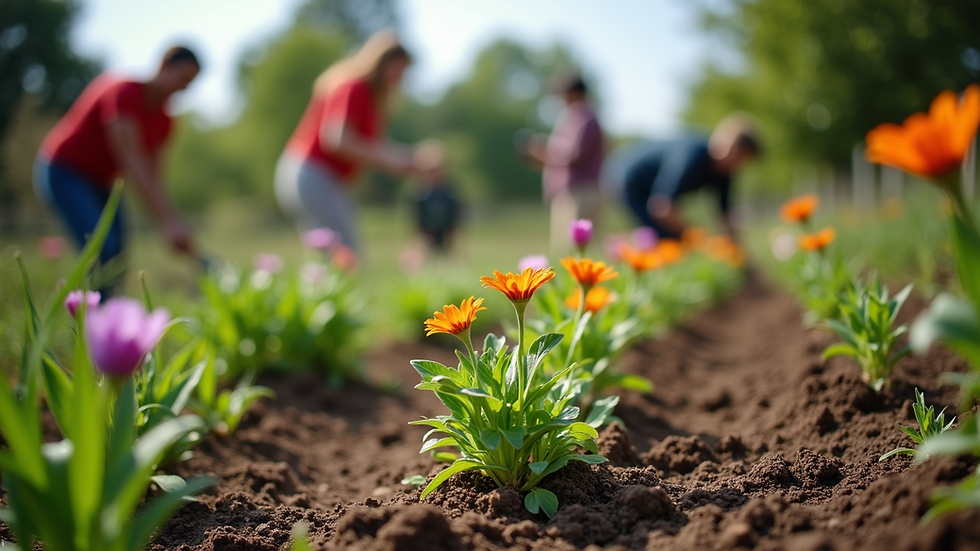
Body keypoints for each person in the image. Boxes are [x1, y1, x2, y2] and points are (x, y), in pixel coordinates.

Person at [34, 46, 201, 292]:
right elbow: (131, 160)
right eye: (182, 78)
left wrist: (172, 223)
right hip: (64, 171)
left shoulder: (165, 121)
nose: (184, 87)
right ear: (164, 67)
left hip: (102, 182)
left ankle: (102, 317)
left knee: (117, 257)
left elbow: (153, 178)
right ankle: (83, 316)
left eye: (190, 83)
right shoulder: (123, 93)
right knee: (101, 247)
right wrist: (169, 222)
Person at [275, 30, 440, 256]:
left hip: (314, 176)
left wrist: (407, 159)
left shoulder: (367, 95)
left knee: (328, 257)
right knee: (346, 255)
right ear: (382, 62)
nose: (401, 78)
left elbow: (372, 144)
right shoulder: (354, 87)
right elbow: (337, 139)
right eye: (399, 70)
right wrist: (393, 162)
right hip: (314, 174)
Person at [619, 113, 761, 241]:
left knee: (677, 239)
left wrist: (741, 259)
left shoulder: (725, 173)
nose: (739, 167)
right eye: (740, 159)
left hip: (652, 194)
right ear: (730, 148)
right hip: (628, 181)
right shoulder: (692, 157)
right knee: (665, 239)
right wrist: (697, 238)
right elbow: (661, 207)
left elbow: (726, 221)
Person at [521, 72, 605, 254]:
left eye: (561, 92)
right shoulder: (576, 116)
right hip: (576, 192)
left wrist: (544, 152)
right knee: (570, 252)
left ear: (573, 92)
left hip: (580, 192)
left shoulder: (582, 117)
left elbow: (575, 155)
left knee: (572, 253)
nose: (559, 98)